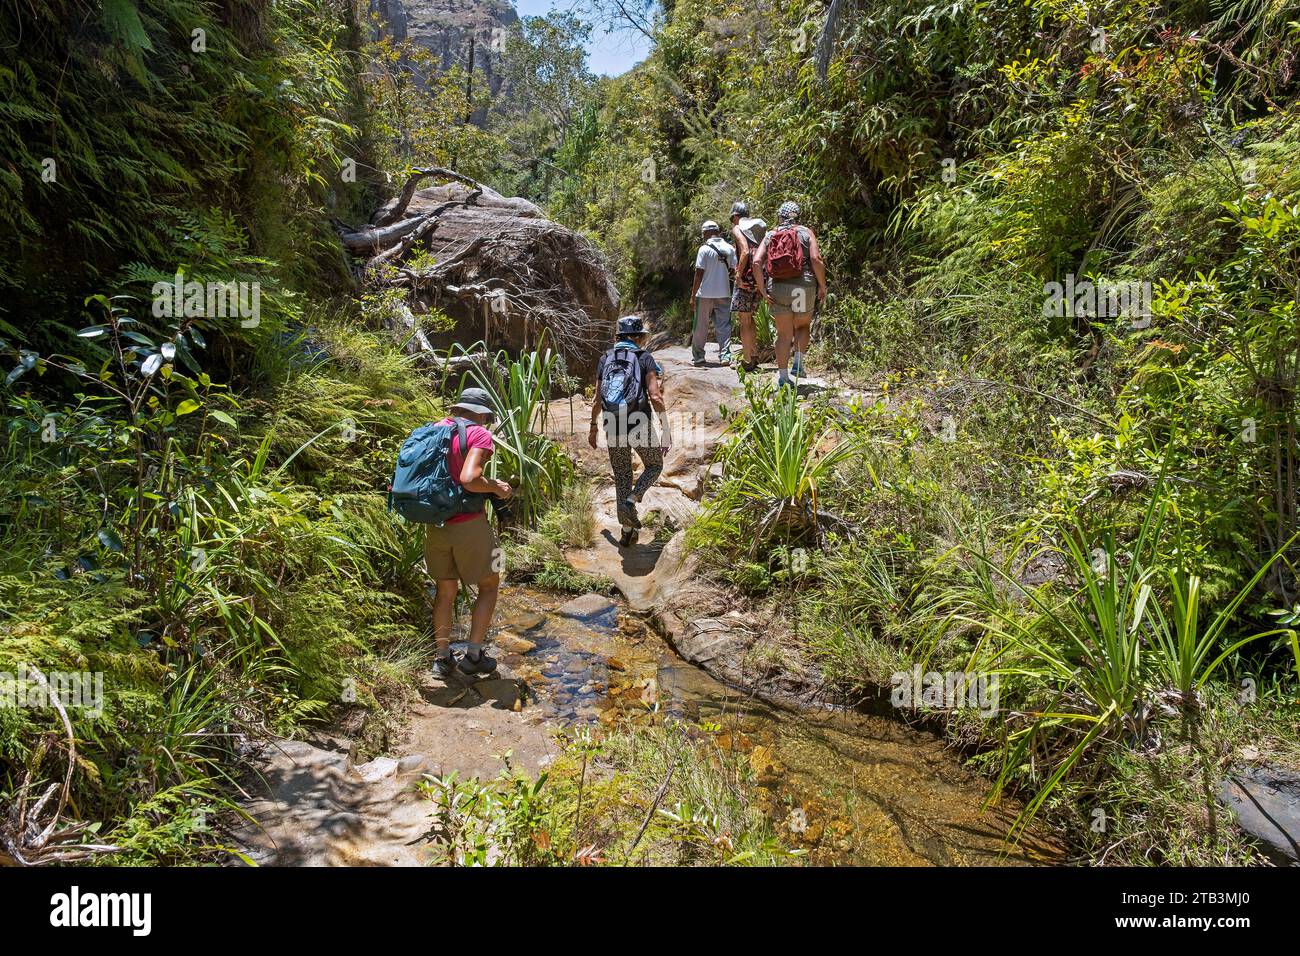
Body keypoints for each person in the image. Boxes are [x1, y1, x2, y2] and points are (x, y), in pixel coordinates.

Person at [425, 387, 513, 679]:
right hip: (466, 523)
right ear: (480, 413)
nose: (487, 422)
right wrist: (495, 487)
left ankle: (441, 659)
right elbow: (469, 478)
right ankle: (474, 656)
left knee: (445, 590)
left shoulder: (435, 429)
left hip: (436, 522)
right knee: (489, 584)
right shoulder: (478, 434)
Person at [588, 315, 670, 548]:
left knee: (622, 473)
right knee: (654, 465)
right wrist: (666, 428)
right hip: (639, 423)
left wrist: (593, 427)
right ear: (637, 337)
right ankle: (633, 499)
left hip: (612, 423)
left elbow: (596, 399)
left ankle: (626, 531)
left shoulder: (606, 358)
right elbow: (655, 396)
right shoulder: (644, 358)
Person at [752, 201, 826, 388]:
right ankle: (798, 364)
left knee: (783, 334)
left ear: (780, 216)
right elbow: (816, 259)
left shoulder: (771, 234)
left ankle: (784, 378)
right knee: (802, 326)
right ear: (798, 216)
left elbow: (756, 262)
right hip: (802, 288)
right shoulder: (806, 232)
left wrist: (762, 289)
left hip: (778, 289)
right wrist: (822, 286)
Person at [688, 220, 736, 367]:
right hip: (724, 293)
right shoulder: (729, 248)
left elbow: (699, 273)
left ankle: (699, 357)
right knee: (724, 326)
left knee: (700, 326)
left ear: (706, 232)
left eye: (703, 233)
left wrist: (692, 296)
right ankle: (725, 356)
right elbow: (735, 270)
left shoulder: (704, 249)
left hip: (705, 295)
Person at [728, 201, 766, 372]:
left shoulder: (737, 229)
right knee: (750, 318)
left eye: (732, 218)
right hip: (758, 279)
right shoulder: (756, 230)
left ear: (736, 216)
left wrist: (737, 274)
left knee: (744, 320)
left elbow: (743, 251)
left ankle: (747, 360)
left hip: (745, 279)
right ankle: (754, 354)